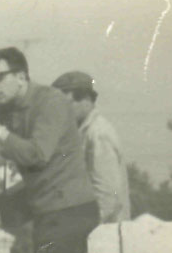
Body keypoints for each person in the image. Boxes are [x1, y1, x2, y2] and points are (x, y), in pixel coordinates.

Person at [0, 47, 99, 253]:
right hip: (45, 212)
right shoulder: (8, 108)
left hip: (69, 210)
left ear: (20, 76)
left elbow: (37, 155)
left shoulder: (50, 102)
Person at [52, 71, 131, 223]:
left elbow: (108, 197)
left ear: (86, 99)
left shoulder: (98, 134)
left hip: (104, 236)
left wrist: (77, 229)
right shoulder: (83, 133)